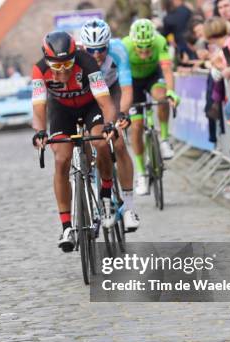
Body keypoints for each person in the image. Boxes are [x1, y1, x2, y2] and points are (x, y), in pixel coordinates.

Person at [31, 30, 118, 251]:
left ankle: (106, 196)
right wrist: (40, 131)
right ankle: (67, 226)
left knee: (100, 142)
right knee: (62, 159)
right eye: (56, 66)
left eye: (67, 64)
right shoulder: (39, 70)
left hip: (90, 107)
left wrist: (109, 125)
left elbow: (105, 102)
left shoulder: (87, 62)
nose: (63, 71)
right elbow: (39, 106)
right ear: (47, 60)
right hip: (62, 111)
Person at [79, 19, 141, 232]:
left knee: (119, 143)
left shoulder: (118, 51)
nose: (96, 54)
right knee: (88, 142)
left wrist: (122, 114)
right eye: (91, 50)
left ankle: (129, 206)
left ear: (108, 44)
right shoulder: (78, 57)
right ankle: (91, 189)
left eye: (101, 49)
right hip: (89, 97)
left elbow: (126, 89)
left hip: (112, 91)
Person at [122, 19, 181, 196]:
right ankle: (141, 173)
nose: (145, 52)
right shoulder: (124, 46)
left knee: (162, 98)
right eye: (141, 48)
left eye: (148, 47)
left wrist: (171, 92)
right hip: (131, 83)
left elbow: (168, 71)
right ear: (134, 43)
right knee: (137, 127)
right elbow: (120, 78)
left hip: (152, 77)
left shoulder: (160, 41)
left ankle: (163, 139)